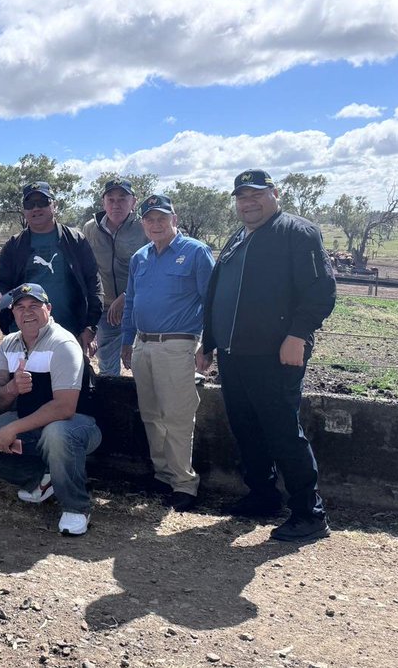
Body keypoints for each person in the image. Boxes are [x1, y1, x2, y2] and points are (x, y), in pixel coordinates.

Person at [199, 169, 337, 542]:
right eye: (242, 197)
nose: (248, 202)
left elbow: (321, 291)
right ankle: (262, 496)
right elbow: (218, 292)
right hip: (233, 353)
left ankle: (310, 514)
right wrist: (209, 342)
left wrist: (298, 334)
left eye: (256, 194)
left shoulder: (298, 233)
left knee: (281, 431)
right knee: (246, 427)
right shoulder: (237, 238)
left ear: (274, 194)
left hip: (275, 354)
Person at [0, 284, 102, 536]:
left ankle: (76, 506)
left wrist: (12, 428)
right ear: (12, 313)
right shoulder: (8, 344)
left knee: (56, 433)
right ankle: (42, 479)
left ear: (48, 309)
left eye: (35, 306)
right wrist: (11, 389)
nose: (27, 312)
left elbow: (65, 407)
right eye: (20, 307)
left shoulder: (63, 342)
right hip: (29, 422)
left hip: (77, 426)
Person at [120, 194, 214, 512]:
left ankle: (184, 483)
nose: (156, 224)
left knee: (177, 416)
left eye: (162, 218)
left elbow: (211, 301)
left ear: (175, 219)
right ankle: (162, 475)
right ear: (143, 223)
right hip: (143, 344)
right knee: (150, 414)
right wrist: (126, 341)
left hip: (178, 344)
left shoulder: (196, 252)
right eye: (150, 219)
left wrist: (208, 344)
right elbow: (131, 302)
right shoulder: (140, 258)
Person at [0, 181, 102, 352]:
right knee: (25, 378)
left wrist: (90, 326)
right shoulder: (14, 245)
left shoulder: (75, 240)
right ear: (24, 209)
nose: (36, 208)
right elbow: (2, 281)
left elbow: (93, 283)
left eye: (43, 202)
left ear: (54, 205)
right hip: (25, 333)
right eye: (30, 204)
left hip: (69, 331)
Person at [81, 178, 148, 375]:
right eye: (111, 199)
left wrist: (128, 295)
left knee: (141, 365)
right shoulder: (90, 229)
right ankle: (112, 404)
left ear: (134, 202)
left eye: (122, 199)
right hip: (106, 310)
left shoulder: (145, 227)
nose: (116, 204)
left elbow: (154, 269)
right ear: (103, 202)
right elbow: (87, 271)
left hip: (140, 308)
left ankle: (141, 405)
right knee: (108, 368)